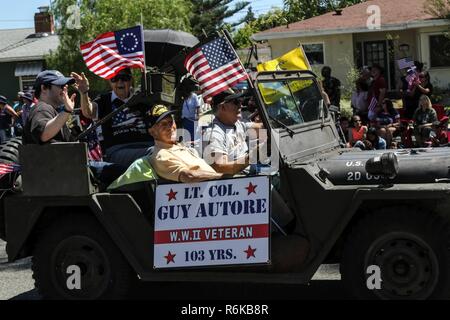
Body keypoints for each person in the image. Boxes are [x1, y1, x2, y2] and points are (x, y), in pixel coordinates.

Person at [72, 68, 152, 168]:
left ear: (131, 80)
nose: (120, 82)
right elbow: (89, 112)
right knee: (157, 153)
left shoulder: (141, 98)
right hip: (118, 150)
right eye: (115, 79)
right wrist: (84, 92)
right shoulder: (104, 100)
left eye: (124, 78)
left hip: (147, 144)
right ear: (110, 82)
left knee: (169, 150)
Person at [146, 104, 223, 183]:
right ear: (152, 132)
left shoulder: (177, 146)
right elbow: (189, 176)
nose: (170, 127)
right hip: (209, 189)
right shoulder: (162, 155)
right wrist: (221, 176)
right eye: (164, 124)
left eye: (171, 122)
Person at [203, 90, 264, 175]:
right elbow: (221, 168)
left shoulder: (237, 124)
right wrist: (253, 155)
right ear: (223, 107)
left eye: (240, 101)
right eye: (236, 102)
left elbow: (261, 128)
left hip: (251, 174)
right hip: (238, 181)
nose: (241, 105)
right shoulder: (214, 134)